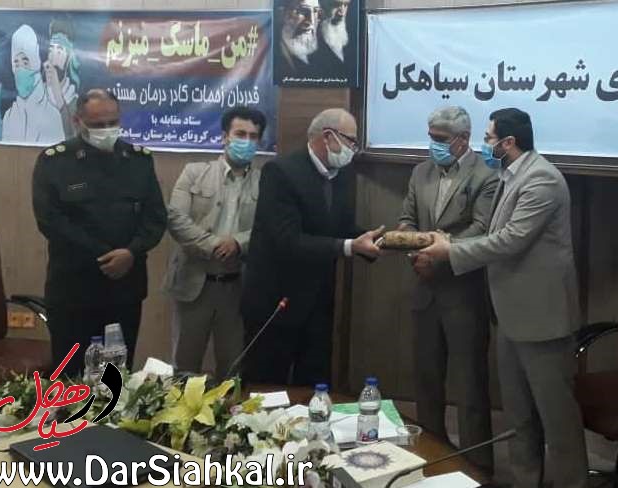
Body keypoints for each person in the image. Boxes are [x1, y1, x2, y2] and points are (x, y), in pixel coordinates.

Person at [418, 108, 588, 488]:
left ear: (509, 142)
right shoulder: (508, 175)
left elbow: (511, 240)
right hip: (511, 316)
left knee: (557, 423)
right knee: (520, 420)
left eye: (489, 138)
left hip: (543, 321)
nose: (485, 145)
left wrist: (450, 250)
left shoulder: (541, 178)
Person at [241, 108, 383, 386]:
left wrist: (377, 240)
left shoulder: (343, 174)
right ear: (327, 136)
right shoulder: (281, 172)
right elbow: (287, 240)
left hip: (318, 304)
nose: (353, 149)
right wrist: (349, 246)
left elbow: (340, 227)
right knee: (265, 388)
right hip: (275, 301)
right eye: (351, 141)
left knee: (313, 387)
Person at [32, 88, 166, 376]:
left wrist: (131, 252)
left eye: (112, 122)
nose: (106, 130)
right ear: (77, 121)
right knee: (70, 377)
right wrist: (104, 255)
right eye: (97, 124)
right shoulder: (55, 162)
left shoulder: (139, 160)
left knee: (116, 377)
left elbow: (155, 218)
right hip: (73, 290)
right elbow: (51, 221)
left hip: (124, 290)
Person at [397, 106, 497, 473]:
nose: (433, 144)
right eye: (431, 136)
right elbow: (407, 220)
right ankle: (432, 462)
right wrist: (416, 250)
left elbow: (482, 229)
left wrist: (439, 257)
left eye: (440, 139)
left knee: (470, 386)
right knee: (426, 382)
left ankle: (477, 468)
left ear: (463, 140)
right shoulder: (420, 172)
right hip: (425, 290)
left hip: (463, 292)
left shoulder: (486, 174)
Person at [164, 107, 266, 380]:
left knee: (233, 371)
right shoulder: (194, 173)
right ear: (224, 137)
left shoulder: (265, 182)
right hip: (194, 284)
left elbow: (267, 228)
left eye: (253, 136)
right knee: (184, 369)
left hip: (236, 287)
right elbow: (176, 219)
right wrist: (212, 245)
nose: (246, 141)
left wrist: (238, 243)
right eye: (240, 134)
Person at [0, 24, 64, 143]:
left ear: (35, 64)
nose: (21, 70)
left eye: (25, 62)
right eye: (16, 64)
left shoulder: (52, 115)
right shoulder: (10, 116)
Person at [44, 18, 81, 138]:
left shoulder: (76, 104)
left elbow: (72, 138)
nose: (53, 58)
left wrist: (57, 95)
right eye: (51, 50)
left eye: (59, 52)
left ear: (69, 58)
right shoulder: (38, 94)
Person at [276, 0, 322, 82]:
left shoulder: (320, 57)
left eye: (315, 11)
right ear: (283, 14)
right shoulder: (276, 59)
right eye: (303, 11)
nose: (311, 21)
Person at [310, 0, 353, 81]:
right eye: (336, 5)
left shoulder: (351, 41)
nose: (342, 12)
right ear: (322, 7)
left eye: (345, 5)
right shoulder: (310, 44)